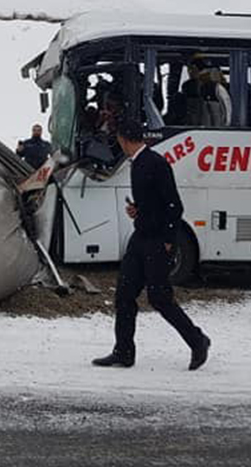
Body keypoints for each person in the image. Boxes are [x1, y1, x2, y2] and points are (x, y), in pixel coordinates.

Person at [93, 119, 211, 371]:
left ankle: (197, 340)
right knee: (124, 294)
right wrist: (139, 210)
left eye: (119, 140)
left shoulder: (156, 163)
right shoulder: (136, 163)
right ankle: (123, 351)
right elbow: (154, 203)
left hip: (157, 241)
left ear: (125, 139)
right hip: (141, 237)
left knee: (160, 298)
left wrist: (169, 241)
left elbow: (174, 206)